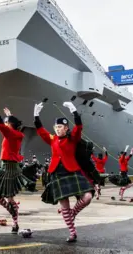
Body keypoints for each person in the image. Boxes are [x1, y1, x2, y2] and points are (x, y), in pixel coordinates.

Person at [34, 102, 94, 243]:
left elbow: (78, 127)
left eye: (60, 127)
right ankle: (72, 232)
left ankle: (71, 214)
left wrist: (74, 110)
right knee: (64, 205)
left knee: (87, 197)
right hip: (57, 173)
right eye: (56, 127)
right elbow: (41, 131)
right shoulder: (53, 139)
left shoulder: (72, 138)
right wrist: (36, 115)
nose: (57, 129)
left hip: (72, 171)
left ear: (66, 128)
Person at [0, 102, 32, 234]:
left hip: (9, 168)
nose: (5, 124)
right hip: (5, 166)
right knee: (6, 198)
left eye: (7, 123)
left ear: (11, 126)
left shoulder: (11, 134)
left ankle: (14, 218)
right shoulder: (14, 133)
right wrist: (10, 116)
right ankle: (14, 218)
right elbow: (8, 126)